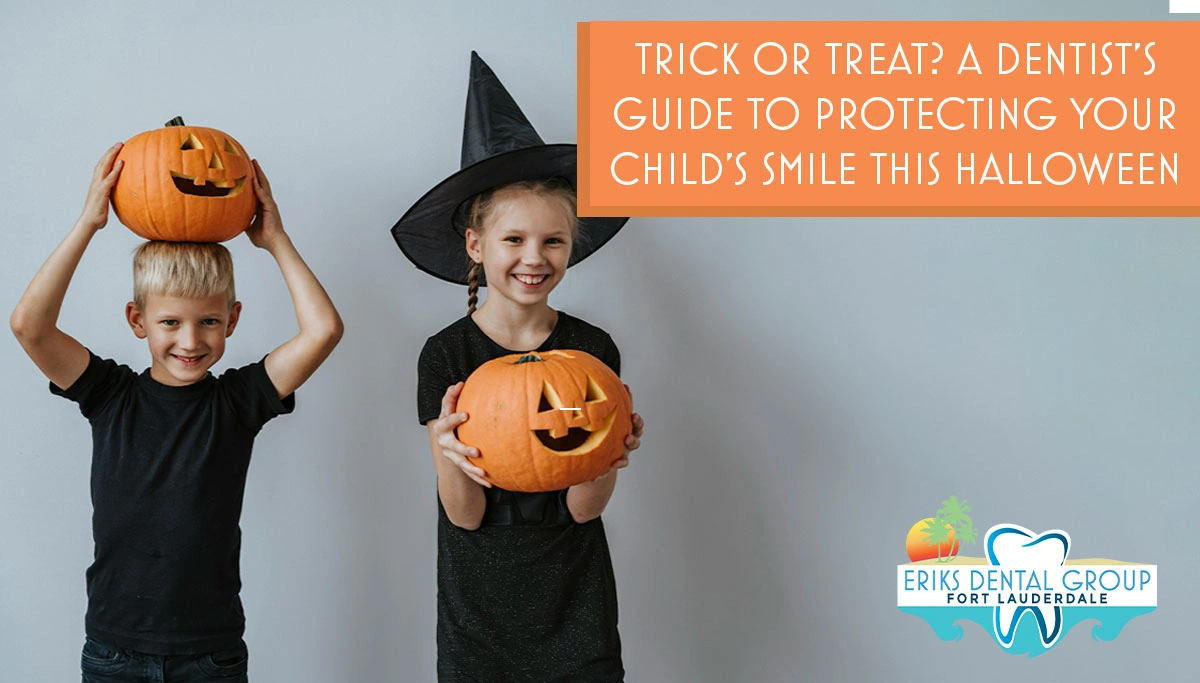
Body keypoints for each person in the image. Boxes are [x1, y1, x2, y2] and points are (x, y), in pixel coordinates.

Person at [9, 143, 343, 682]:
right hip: (114, 649)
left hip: (210, 653)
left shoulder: (238, 402)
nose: (190, 340)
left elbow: (323, 330)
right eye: (170, 323)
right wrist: (88, 224)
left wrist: (275, 241)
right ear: (137, 320)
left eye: (208, 322)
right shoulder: (108, 394)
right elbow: (30, 325)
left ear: (232, 320)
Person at [394, 52, 644, 682]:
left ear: (571, 246)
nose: (535, 258)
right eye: (514, 240)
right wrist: (444, 450)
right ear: (476, 246)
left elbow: (585, 508)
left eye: (553, 241)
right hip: (479, 611)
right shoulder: (445, 354)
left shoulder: (592, 350)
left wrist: (608, 454)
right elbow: (465, 514)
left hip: (575, 599)